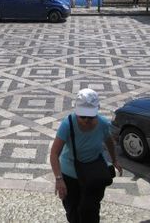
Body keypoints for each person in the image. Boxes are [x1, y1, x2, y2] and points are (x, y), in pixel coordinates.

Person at [50, 88, 122, 223]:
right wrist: (59, 179)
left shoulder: (103, 124)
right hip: (70, 175)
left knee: (90, 210)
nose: (86, 120)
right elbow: (54, 153)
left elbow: (109, 142)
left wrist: (114, 160)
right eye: (82, 116)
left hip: (93, 174)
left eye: (90, 116)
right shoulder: (67, 124)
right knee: (73, 211)